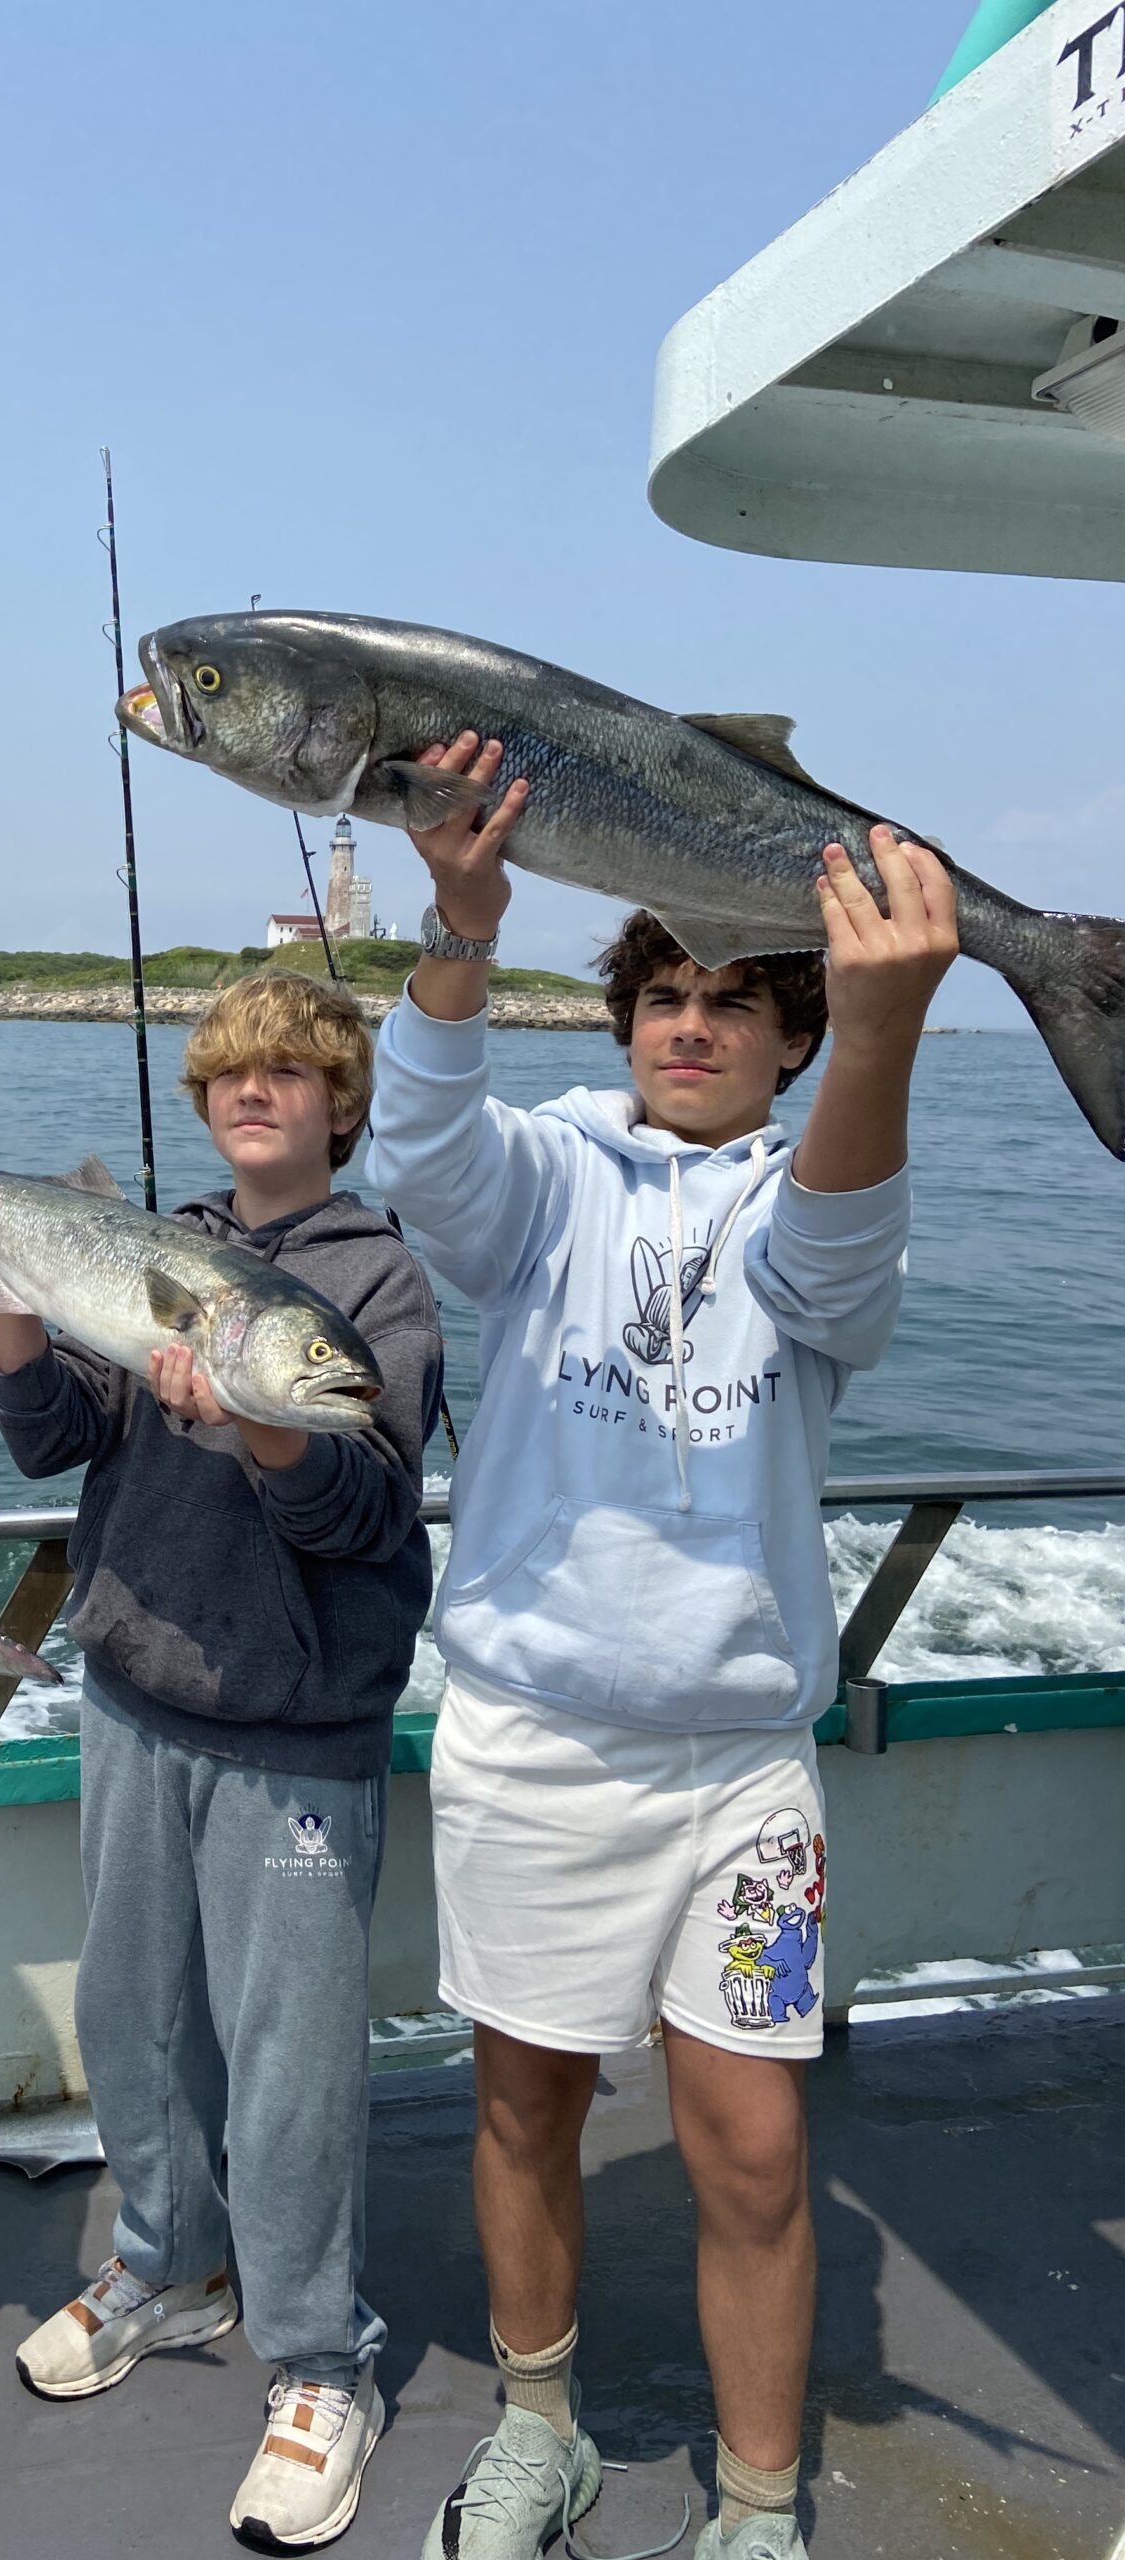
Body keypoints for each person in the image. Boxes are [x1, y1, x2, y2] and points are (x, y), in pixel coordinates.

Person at [366, 736, 956, 2560]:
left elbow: (838, 1258)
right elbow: (420, 1154)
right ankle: (538, 2420)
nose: (689, 1027)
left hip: (737, 1772)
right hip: (533, 1738)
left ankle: (760, 2506)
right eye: (662, 997)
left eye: (733, 1003)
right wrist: (460, 928)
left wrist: (887, 1031)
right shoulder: (544, 1177)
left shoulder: (817, 1190)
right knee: (524, 2108)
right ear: (622, 1021)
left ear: (791, 1040)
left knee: (757, 2155)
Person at [0, 970, 444, 2554]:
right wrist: (11, 1283)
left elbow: (369, 1512)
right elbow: (44, 1438)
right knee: (134, 2017)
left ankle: (316, 2360)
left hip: (293, 1726)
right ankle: (166, 2265)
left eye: (291, 1074)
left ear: (343, 1102)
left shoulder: (383, 1287)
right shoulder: (145, 1245)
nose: (254, 1094)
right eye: (228, 1076)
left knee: (286, 2063)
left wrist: (269, 1431)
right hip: (133, 1692)